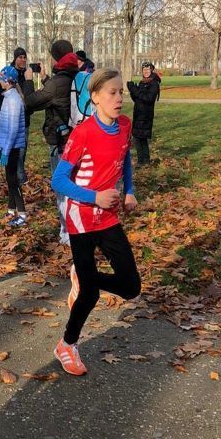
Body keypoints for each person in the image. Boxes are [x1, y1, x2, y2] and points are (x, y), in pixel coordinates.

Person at [51, 68, 141, 375]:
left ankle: (83, 277)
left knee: (130, 287)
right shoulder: (84, 133)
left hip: (109, 217)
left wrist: (129, 191)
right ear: (95, 98)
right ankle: (66, 345)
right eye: (112, 93)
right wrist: (94, 197)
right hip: (82, 217)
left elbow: (125, 157)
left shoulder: (124, 125)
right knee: (89, 295)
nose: (119, 98)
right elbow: (58, 180)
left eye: (121, 92)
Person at [24, 39, 79, 245]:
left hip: (61, 142)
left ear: (56, 58)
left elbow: (30, 102)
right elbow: (59, 94)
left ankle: (68, 233)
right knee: (78, 184)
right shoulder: (77, 74)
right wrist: (46, 78)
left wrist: (29, 81)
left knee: (62, 186)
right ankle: (82, 228)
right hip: (80, 138)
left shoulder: (57, 83)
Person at [0, 65, 27, 227]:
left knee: (13, 180)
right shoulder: (9, 97)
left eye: (1, 78)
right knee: (10, 179)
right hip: (8, 146)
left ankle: (22, 214)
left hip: (13, 147)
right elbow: (4, 128)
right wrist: (0, 147)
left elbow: (13, 129)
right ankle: (11, 210)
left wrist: (6, 151)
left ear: (7, 81)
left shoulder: (13, 100)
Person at [0, 47, 30, 185]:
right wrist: (1, 116)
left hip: (22, 121)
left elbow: (29, 97)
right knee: (13, 153)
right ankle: (16, 180)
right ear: (15, 59)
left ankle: (18, 180)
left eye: (24, 57)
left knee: (21, 152)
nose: (23, 60)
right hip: (9, 121)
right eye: (20, 57)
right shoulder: (7, 74)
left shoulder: (26, 76)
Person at [127, 62, 161, 167]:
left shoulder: (154, 83)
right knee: (138, 138)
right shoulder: (143, 82)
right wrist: (132, 91)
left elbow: (149, 99)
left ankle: (143, 161)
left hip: (146, 115)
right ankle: (143, 161)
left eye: (147, 69)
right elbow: (137, 99)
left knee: (140, 138)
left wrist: (135, 90)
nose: (145, 72)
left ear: (151, 70)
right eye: (144, 70)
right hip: (138, 114)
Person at [69, 51, 95, 129]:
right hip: (87, 111)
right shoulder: (89, 70)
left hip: (83, 111)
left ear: (80, 60)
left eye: (76, 59)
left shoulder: (83, 73)